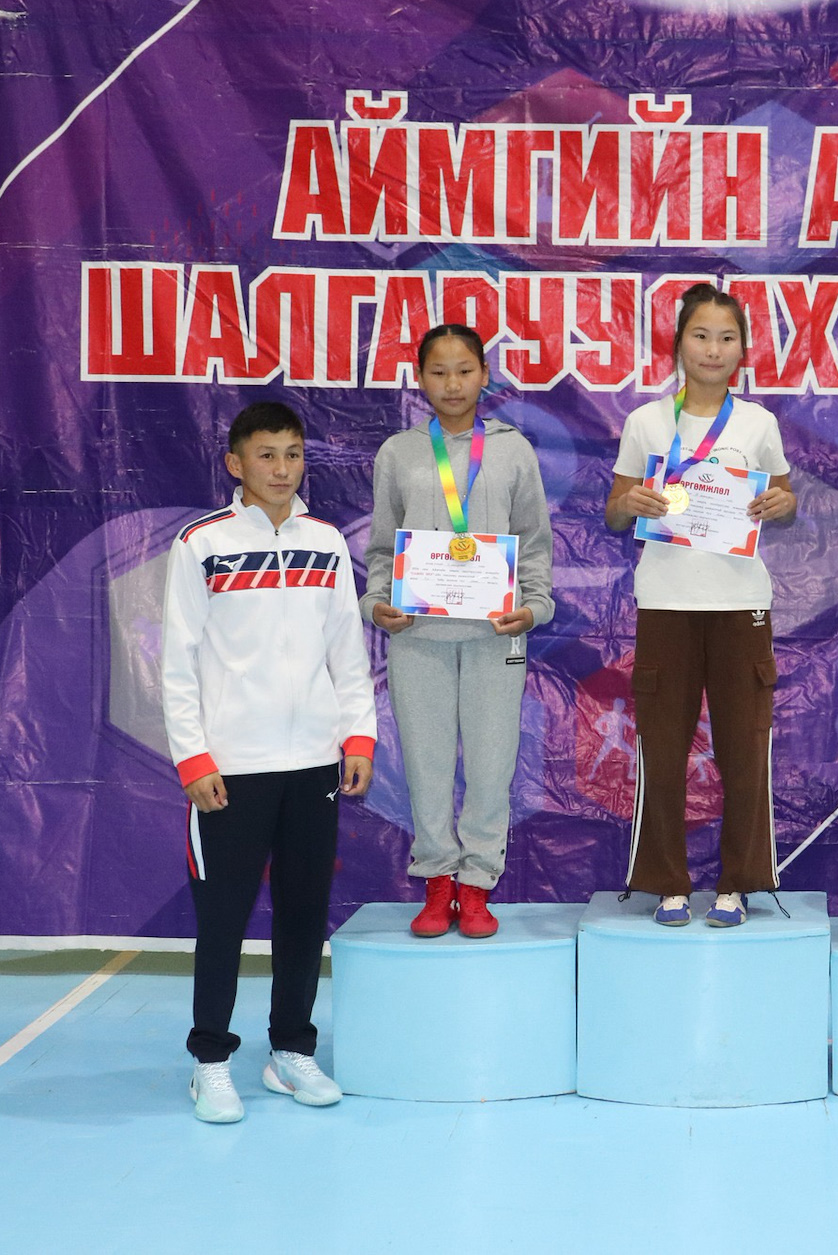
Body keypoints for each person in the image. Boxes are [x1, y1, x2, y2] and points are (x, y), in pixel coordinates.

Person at [161, 401, 377, 1123]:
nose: (282, 469)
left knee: (304, 915)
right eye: (266, 454)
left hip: (314, 765)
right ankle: (210, 1063)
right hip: (230, 769)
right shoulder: (202, 544)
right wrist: (194, 757)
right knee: (222, 920)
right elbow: (178, 661)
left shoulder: (327, 542)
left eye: (293, 454)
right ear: (235, 463)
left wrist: (357, 736)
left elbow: (347, 650)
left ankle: (291, 1050)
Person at [603, 283, 797, 928]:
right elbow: (614, 510)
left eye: (727, 337)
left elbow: (785, 499)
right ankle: (669, 884)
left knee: (744, 749)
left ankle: (736, 884)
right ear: (679, 344)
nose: (713, 349)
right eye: (701, 335)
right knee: (662, 748)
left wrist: (782, 503)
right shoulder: (646, 422)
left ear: (743, 350)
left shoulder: (758, 424)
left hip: (741, 603)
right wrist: (630, 504)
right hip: (666, 603)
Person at [361, 324, 553, 940]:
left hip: (497, 632)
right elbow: (382, 547)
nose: (452, 384)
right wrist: (377, 602)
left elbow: (535, 542)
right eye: (438, 372)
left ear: (484, 376)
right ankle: (437, 880)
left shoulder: (513, 451)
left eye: (464, 370)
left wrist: (534, 608)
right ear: (419, 378)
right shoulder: (399, 452)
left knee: (493, 766)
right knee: (426, 764)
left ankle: (476, 885)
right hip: (419, 635)